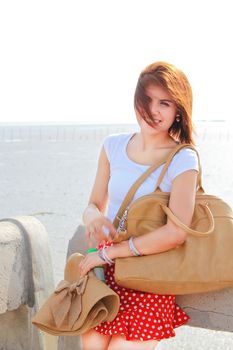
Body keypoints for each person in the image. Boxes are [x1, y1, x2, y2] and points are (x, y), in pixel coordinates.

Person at [79, 61, 199, 350]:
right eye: (147, 100)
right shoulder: (113, 146)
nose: (153, 110)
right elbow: (94, 204)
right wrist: (93, 217)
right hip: (106, 275)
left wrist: (108, 255)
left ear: (178, 111)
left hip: (151, 277)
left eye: (164, 103)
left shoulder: (183, 159)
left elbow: (176, 233)